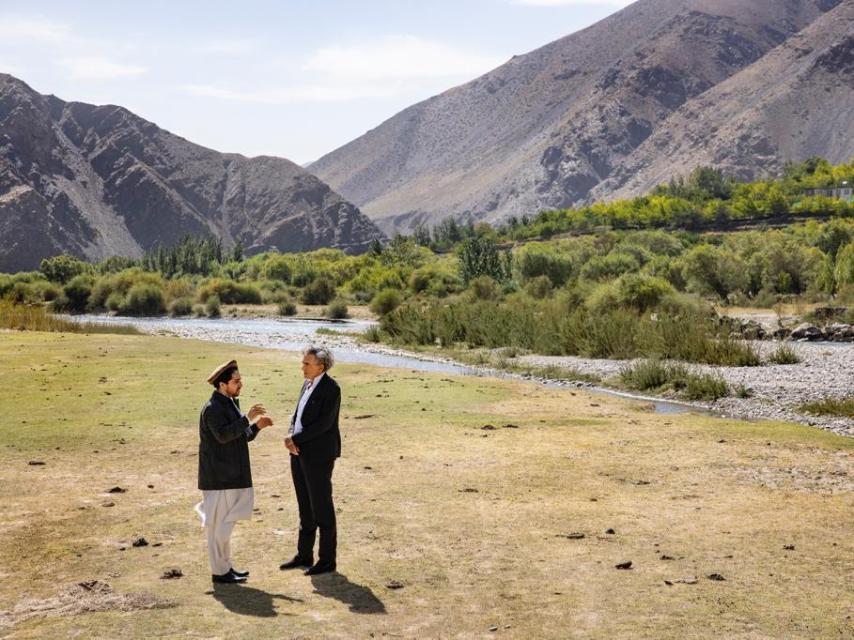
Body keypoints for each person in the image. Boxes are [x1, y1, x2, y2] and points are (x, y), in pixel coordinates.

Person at [196, 359, 273, 584]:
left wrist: (257, 426)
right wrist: (247, 418)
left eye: (241, 380)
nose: (240, 385)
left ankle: (225, 568)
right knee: (218, 528)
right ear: (222, 384)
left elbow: (241, 435)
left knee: (224, 528)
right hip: (219, 478)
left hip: (231, 476)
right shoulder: (212, 409)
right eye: (236, 381)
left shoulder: (229, 404)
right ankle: (219, 572)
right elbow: (223, 436)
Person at [280, 346, 341, 576]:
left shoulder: (331, 388)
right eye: (303, 362)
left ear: (321, 366)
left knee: (322, 506)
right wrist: (291, 434)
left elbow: (324, 424)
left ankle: (327, 560)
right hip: (298, 452)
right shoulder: (306, 384)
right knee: (305, 505)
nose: (302, 367)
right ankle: (304, 555)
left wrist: (294, 438)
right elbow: (297, 416)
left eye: (307, 363)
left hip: (319, 455)